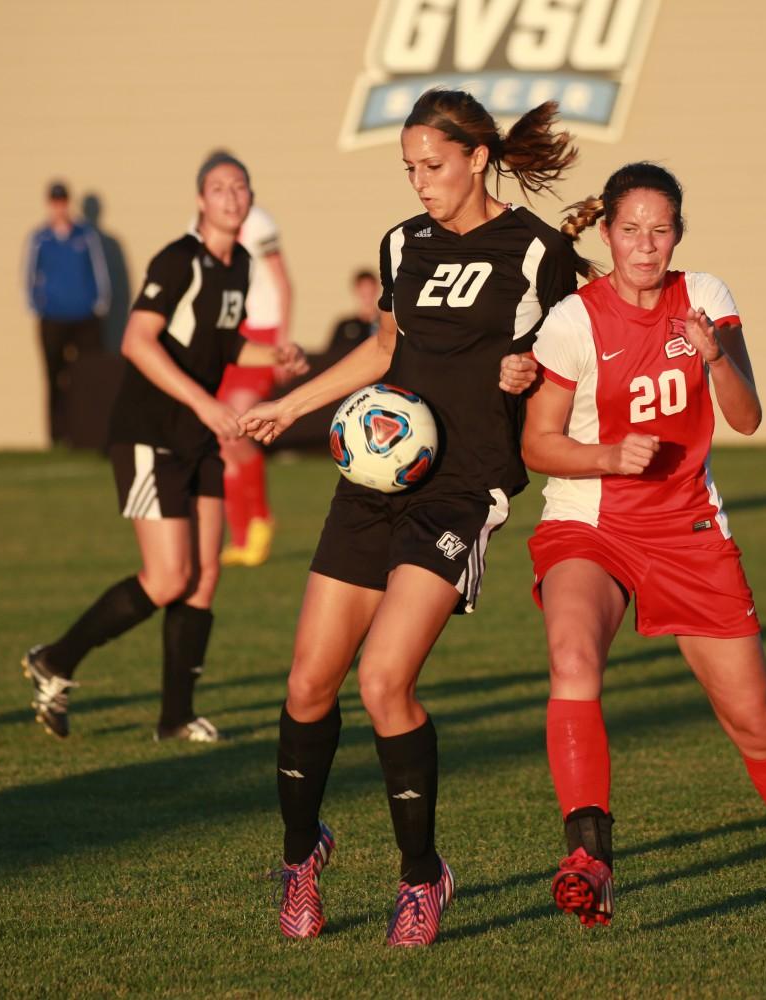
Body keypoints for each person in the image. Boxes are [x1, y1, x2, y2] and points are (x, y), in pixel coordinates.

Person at [510, 161, 766, 926]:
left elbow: (748, 417)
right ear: (607, 233)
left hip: (687, 529)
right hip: (588, 521)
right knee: (572, 658)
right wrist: (605, 456)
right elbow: (539, 443)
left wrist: (712, 356)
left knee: (754, 721)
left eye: (659, 231)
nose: (644, 245)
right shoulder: (571, 320)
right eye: (630, 230)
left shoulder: (705, 298)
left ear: (677, 236)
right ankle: (588, 855)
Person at [239, 89, 584, 947]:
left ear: (474, 157)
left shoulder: (540, 254)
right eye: (409, 169)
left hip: (463, 489)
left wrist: (527, 376)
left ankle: (422, 881)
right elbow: (383, 348)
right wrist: (293, 406)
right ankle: (299, 858)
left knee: (383, 682)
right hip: (372, 476)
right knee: (307, 683)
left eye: (432, 166)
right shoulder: (403, 242)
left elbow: (573, 365)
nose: (420, 182)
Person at [21, 153, 306, 742]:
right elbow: (137, 341)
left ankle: (175, 717)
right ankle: (56, 658)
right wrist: (205, 404)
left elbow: (224, 349)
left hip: (196, 435)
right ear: (200, 200)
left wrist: (273, 354)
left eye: (240, 187)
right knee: (169, 576)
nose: (231, 196)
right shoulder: (178, 259)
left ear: (250, 199)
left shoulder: (242, 264)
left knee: (204, 578)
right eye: (218, 188)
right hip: (149, 432)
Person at [217, 194, 301, 568]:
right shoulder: (200, 228)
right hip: (228, 335)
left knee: (239, 426)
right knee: (222, 438)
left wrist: (282, 342)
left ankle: (261, 518)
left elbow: (283, 283)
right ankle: (239, 535)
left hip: (261, 333)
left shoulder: (259, 223)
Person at [24, 180, 111, 445]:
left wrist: (99, 304)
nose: (59, 207)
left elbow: (100, 272)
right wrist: (37, 306)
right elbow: (28, 276)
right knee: (54, 376)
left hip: (84, 317)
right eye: (54, 201)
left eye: (63, 201)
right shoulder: (40, 238)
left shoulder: (85, 235)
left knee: (88, 376)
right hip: (53, 317)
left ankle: (90, 433)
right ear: (49, 204)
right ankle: (57, 436)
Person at [327, 269, 380, 351]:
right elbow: (332, 356)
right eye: (363, 289)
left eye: (369, 289)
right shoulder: (344, 326)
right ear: (356, 290)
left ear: (376, 289)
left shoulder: (385, 325)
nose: (367, 293)